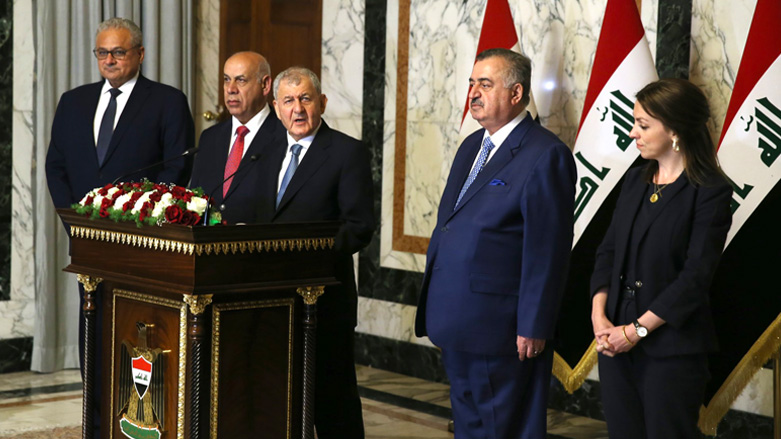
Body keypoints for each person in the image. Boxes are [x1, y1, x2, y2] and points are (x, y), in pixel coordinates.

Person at [44, 17, 194, 438]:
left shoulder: (167, 101)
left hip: (143, 247)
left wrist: (141, 221)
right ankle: (95, 423)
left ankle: (140, 423)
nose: (109, 60)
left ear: (140, 55)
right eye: (102, 53)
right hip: (89, 243)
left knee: (139, 332)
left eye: (119, 52)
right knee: (92, 332)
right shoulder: (73, 101)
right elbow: (56, 168)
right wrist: (77, 222)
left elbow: (177, 169)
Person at [415, 48, 576, 438]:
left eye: (485, 84)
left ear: (516, 94)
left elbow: (547, 251)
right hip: (457, 318)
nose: (473, 92)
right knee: (471, 424)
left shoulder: (545, 154)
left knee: (499, 427)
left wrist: (534, 323)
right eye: (471, 83)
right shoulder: (472, 145)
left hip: (501, 327)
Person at [589, 78, 733, 439]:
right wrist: (599, 316)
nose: (633, 133)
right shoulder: (636, 180)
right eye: (634, 122)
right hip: (616, 341)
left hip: (670, 350)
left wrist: (637, 331)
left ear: (674, 130)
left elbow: (696, 277)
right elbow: (608, 251)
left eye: (643, 124)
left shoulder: (710, 190)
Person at [254, 66, 374, 438]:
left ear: (322, 102)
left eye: (306, 99)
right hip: (270, 301)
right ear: (275, 107)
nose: (298, 109)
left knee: (333, 400)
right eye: (288, 101)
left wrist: (301, 257)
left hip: (325, 299)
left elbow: (358, 228)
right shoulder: (263, 153)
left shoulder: (346, 152)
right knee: (278, 397)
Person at [190, 51, 282, 223]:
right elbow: (196, 196)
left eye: (241, 80)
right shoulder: (210, 137)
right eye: (226, 79)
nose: (231, 89)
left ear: (265, 85)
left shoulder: (283, 135)